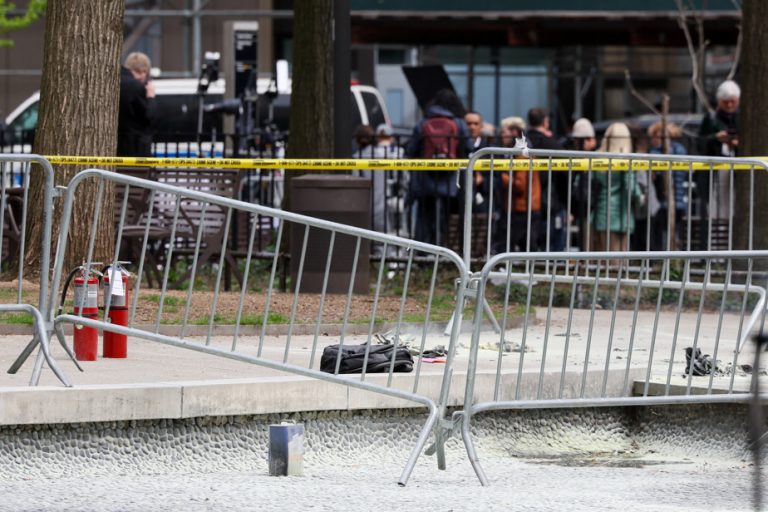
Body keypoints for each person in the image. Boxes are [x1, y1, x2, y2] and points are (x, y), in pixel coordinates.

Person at [405, 89, 472, 245]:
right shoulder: (459, 123)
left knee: (423, 219)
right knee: (445, 219)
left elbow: (411, 148)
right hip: (450, 180)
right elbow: (469, 148)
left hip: (426, 179)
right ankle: (443, 253)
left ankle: (421, 255)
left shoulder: (423, 122)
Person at [696, 79, 740, 249]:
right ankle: (716, 250)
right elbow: (700, 142)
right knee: (715, 209)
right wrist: (716, 138)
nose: (729, 105)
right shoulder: (711, 118)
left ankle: (731, 247)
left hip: (736, 171)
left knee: (733, 208)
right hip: (715, 169)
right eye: (726, 101)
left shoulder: (742, 116)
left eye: (733, 101)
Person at [591, 122, 644, 255]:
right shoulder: (625, 160)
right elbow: (630, 187)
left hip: (601, 213)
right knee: (619, 263)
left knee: (603, 262)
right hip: (622, 215)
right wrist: (640, 197)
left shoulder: (597, 157)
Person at [495, 118, 541, 253]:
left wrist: (501, 177)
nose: (501, 136)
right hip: (523, 206)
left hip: (522, 207)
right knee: (525, 245)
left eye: (505, 133)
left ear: (514, 133)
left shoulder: (521, 156)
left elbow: (520, 185)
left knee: (514, 244)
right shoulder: (520, 154)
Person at [526, 107, 566, 251]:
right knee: (554, 247)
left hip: (524, 201)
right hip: (550, 201)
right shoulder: (551, 144)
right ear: (545, 122)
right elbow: (566, 173)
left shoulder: (522, 142)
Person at [647, 121, 689, 250]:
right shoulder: (678, 150)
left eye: (657, 137)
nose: (653, 140)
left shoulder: (670, 151)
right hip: (669, 201)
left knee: (668, 232)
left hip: (669, 201)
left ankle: (671, 259)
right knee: (667, 232)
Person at [118, 52, 156, 157]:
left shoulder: (114, 80)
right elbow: (148, 117)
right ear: (143, 72)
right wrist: (151, 97)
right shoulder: (136, 86)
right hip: (134, 148)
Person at [568, 117, 597, 251]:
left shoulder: (597, 158)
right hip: (582, 205)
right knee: (584, 238)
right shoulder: (573, 158)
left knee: (589, 239)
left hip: (592, 206)